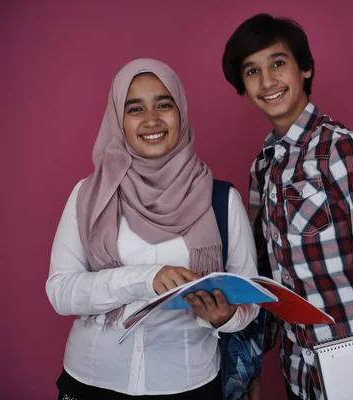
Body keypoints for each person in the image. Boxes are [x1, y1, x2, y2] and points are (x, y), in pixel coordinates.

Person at [222, 14, 353, 400]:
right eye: (252, 71)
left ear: (305, 68)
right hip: (300, 371)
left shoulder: (342, 150)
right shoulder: (262, 166)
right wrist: (248, 364)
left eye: (278, 63)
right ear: (243, 86)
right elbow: (268, 278)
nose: (267, 81)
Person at [46, 58, 259, 399]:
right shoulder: (88, 195)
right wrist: (147, 278)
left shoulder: (222, 199)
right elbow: (60, 291)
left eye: (164, 104)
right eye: (134, 109)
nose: (151, 120)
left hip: (187, 383)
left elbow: (249, 300)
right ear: (119, 119)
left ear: (181, 112)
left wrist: (226, 317)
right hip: (92, 379)